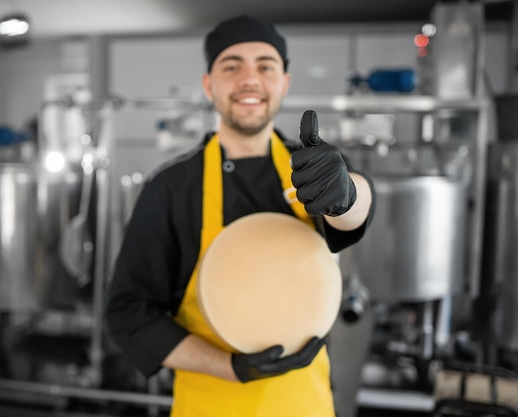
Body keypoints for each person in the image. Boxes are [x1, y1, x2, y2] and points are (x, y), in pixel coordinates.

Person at [106, 14, 375, 417]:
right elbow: (129, 313)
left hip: (304, 405)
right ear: (208, 84)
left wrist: (348, 194)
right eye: (231, 66)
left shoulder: (311, 170)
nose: (249, 79)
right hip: (209, 403)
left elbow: (353, 215)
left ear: (285, 81)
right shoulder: (170, 187)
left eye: (265, 66)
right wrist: (229, 367)